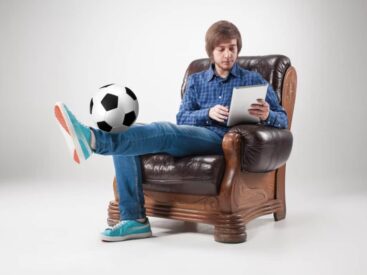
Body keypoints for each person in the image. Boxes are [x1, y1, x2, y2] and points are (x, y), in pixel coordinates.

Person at [54, 20, 288, 242]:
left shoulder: (252, 80)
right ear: (211, 52)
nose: (228, 54)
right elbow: (182, 116)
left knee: (166, 132)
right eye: (221, 49)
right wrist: (207, 113)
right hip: (194, 133)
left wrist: (267, 114)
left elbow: (283, 119)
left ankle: (93, 139)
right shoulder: (197, 81)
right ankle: (134, 219)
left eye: (232, 48)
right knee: (130, 131)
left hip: (223, 140)